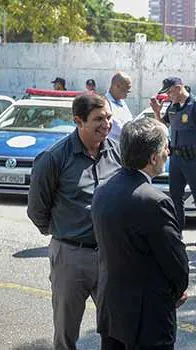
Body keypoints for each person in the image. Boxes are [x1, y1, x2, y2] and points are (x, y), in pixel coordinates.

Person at [27, 93, 121, 350]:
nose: (107, 124)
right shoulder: (54, 158)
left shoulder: (117, 153)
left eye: (109, 118)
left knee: (115, 329)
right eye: (98, 119)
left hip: (110, 256)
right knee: (66, 332)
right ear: (78, 120)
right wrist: (66, 234)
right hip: (70, 256)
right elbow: (37, 209)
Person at [92, 117, 189, 350]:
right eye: (166, 146)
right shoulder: (154, 201)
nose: (169, 152)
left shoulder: (103, 189)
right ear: (153, 157)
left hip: (112, 309)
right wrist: (175, 292)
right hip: (147, 316)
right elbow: (176, 264)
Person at [151, 76, 196, 247]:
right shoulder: (173, 107)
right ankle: (177, 232)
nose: (168, 96)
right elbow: (163, 126)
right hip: (176, 158)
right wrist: (157, 113)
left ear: (179, 88)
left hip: (193, 158)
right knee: (175, 196)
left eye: (170, 92)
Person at [105, 72, 133, 140]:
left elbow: (131, 121)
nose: (126, 95)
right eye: (125, 91)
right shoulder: (105, 103)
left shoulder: (122, 102)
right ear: (117, 86)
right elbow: (118, 129)